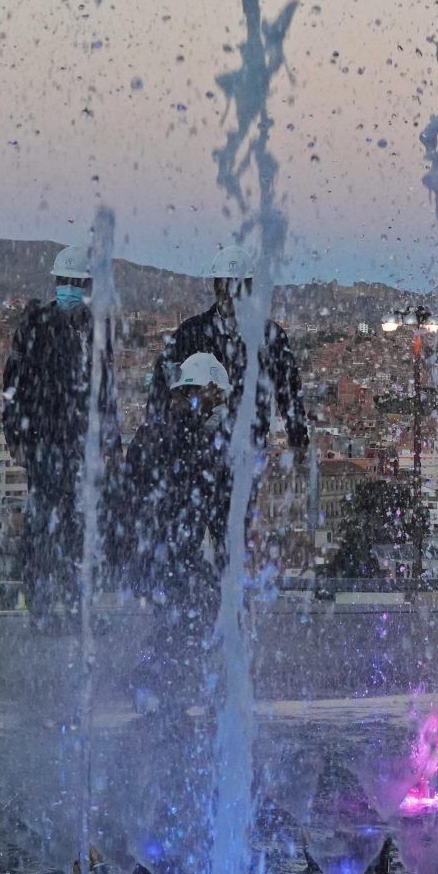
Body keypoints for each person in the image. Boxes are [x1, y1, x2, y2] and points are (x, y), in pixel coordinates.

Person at [4, 244, 115, 620]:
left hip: (77, 443)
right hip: (42, 440)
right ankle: (39, 604)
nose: (69, 288)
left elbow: (105, 388)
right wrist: (14, 434)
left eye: (76, 282)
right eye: (64, 281)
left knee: (74, 526)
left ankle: (70, 603)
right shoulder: (34, 324)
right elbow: (13, 381)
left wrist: (108, 441)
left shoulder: (96, 328)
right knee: (41, 524)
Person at [154, 240, 309, 457]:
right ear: (216, 286)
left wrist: (298, 439)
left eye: (237, 286)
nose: (230, 294)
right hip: (201, 446)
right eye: (225, 285)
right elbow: (162, 375)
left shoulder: (269, 336)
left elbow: (289, 389)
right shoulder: (192, 332)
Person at [113, 352, 237, 619]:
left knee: (207, 605)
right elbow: (163, 455)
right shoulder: (155, 435)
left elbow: (217, 511)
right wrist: (194, 414)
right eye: (213, 400)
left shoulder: (204, 445)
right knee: (191, 606)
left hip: (175, 557)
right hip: (147, 556)